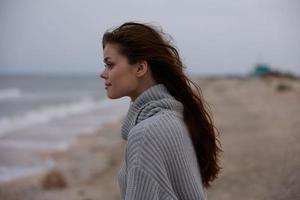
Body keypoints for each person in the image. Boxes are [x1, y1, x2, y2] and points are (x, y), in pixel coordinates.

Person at [99, 21, 221, 200]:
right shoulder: (174, 118)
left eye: (110, 65)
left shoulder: (145, 134)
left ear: (140, 68)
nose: (103, 73)